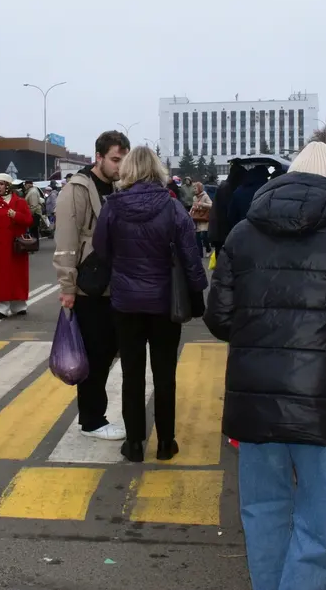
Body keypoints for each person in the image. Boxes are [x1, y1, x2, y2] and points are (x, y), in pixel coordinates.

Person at [203, 141, 326, 590]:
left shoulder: (242, 233)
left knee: (263, 511)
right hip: (324, 405)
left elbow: (218, 320)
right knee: (318, 522)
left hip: (254, 402)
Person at [92, 147, 208, 463]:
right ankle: (166, 443)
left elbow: (101, 249)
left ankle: (133, 444)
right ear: (158, 170)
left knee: (132, 374)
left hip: (125, 302)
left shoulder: (112, 207)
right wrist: (198, 292)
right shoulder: (172, 208)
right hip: (165, 303)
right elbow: (189, 255)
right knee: (164, 373)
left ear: (128, 170)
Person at [53, 130, 131, 442]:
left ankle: (95, 416)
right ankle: (92, 420)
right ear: (98, 157)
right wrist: (67, 286)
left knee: (108, 350)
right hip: (89, 285)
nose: (119, 164)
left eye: (123, 159)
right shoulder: (78, 189)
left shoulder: (117, 185)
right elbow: (66, 242)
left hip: (114, 283)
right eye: (115, 159)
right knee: (95, 355)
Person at [0, 173, 33, 319]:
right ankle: (1, 307)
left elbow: (29, 220)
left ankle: (19, 305)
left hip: (17, 246)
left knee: (18, 275)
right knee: (1, 277)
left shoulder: (20, 202)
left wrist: (16, 215)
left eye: (1, 184)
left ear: (8, 186)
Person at [209, 160, 246, 255]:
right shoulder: (228, 188)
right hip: (224, 232)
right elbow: (228, 213)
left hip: (219, 232)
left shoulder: (224, 186)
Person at [190, 181, 213, 257]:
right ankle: (200, 254)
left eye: (195, 188)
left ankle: (208, 249)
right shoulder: (194, 197)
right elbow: (193, 206)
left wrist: (202, 204)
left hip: (204, 218)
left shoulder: (205, 196)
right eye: (194, 188)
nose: (194, 190)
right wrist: (190, 213)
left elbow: (211, 205)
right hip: (197, 219)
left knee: (203, 235)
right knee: (197, 237)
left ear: (200, 188)